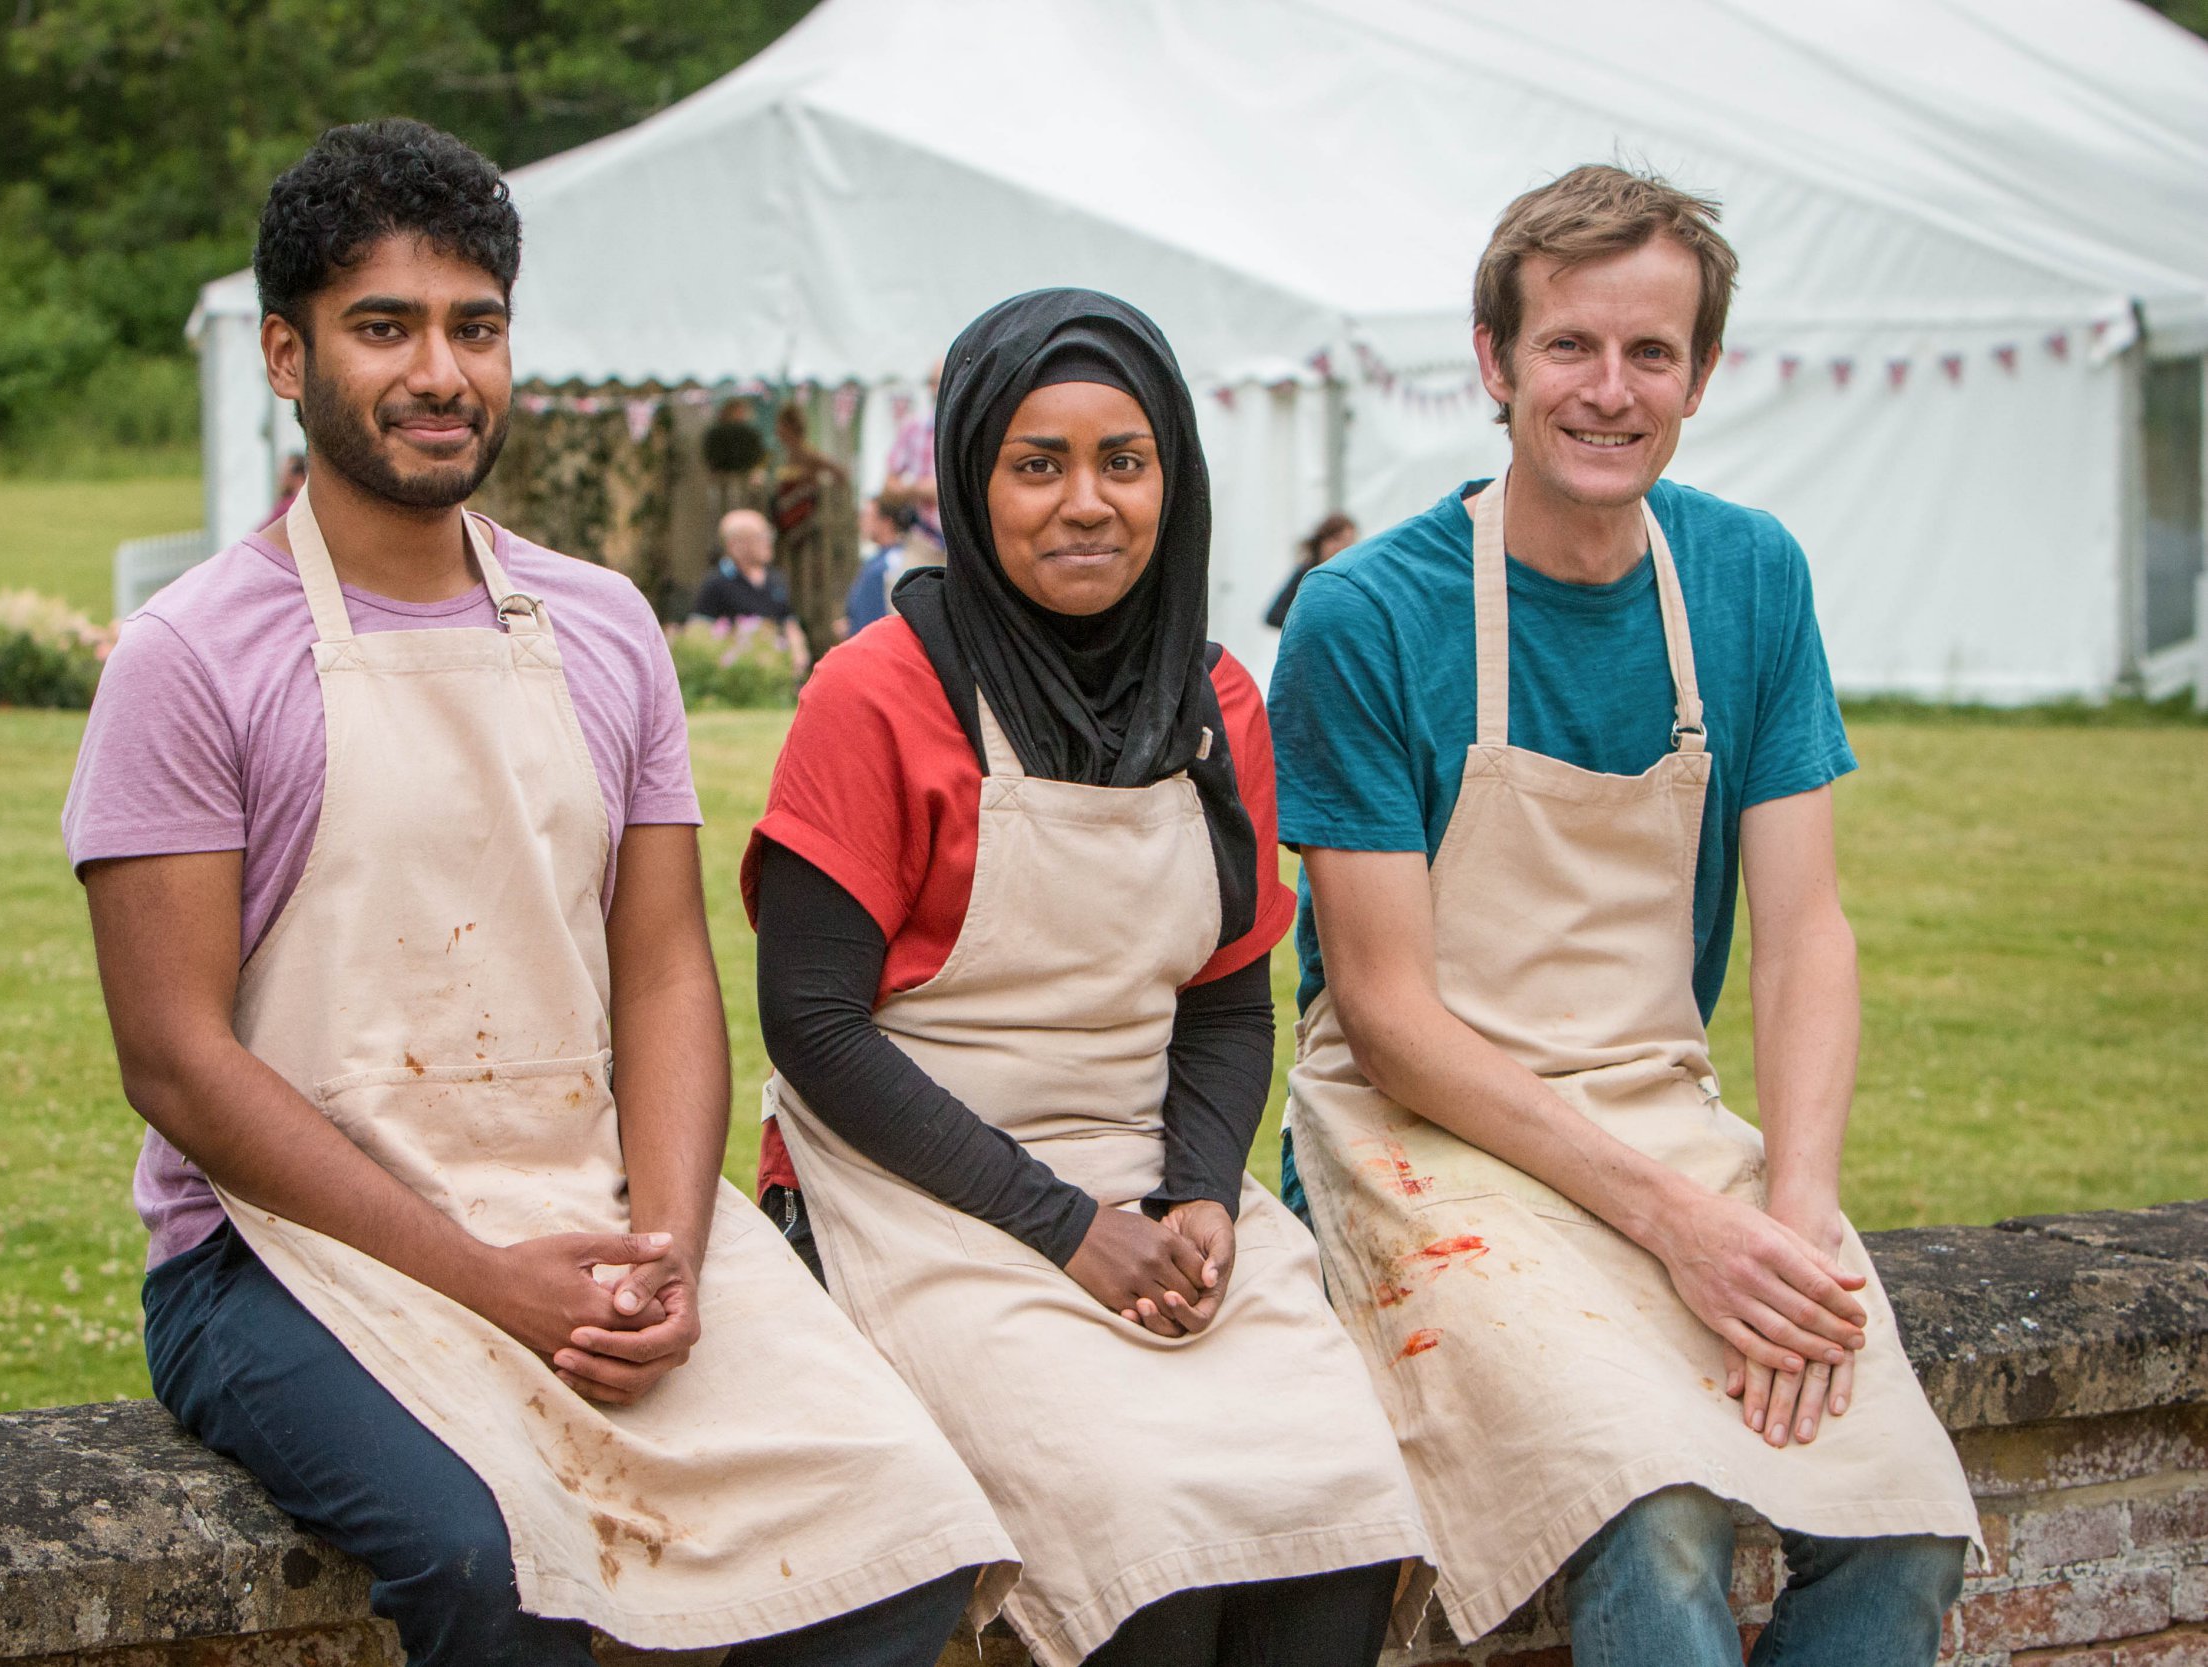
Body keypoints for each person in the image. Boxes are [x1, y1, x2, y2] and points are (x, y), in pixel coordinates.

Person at [63, 119, 1014, 1667]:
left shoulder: (605, 624)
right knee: (488, 1553)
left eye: (476, 326)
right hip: (277, 1255)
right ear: (288, 360)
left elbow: (663, 974)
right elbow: (175, 1058)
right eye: (385, 327)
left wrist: (671, 1248)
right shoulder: (192, 658)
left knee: (902, 1521)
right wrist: (489, 1280)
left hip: (576, 1199)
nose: (441, 371)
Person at [1270, 164, 1978, 1665]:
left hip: (1660, 1102)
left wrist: (1792, 1217)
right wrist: (1677, 1227)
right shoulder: (1366, 614)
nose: (1610, 389)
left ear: (1703, 374)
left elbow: (1805, 937)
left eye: (1651, 352)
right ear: (1493, 362)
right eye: (1569, 347)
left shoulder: (1749, 578)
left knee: (1905, 1518)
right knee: (1657, 1506)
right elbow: (1389, 1014)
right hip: (1426, 1140)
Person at [746, 288, 1430, 1667]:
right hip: (918, 1191)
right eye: (1037, 463)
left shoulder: (1217, 700)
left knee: (1340, 1509)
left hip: (1147, 1171)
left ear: (1173, 480)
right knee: (1145, 1546)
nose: (1086, 502)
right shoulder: (873, 695)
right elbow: (812, 1025)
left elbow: (1233, 996)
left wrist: (1195, 1191)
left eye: (1124, 460)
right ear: (970, 479)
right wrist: (1068, 1226)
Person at [691, 508, 811, 671]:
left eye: (770, 535)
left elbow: (788, 621)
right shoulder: (716, 583)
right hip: (739, 675)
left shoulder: (775, 578)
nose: (769, 542)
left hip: (777, 671)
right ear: (735, 545)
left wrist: (799, 654)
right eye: (761, 536)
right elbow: (698, 631)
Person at [880, 356, 944, 548]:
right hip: (925, 538)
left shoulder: (972, 427)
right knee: (901, 577)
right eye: (935, 382)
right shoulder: (913, 427)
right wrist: (918, 489)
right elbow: (889, 486)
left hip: (965, 545)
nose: (939, 388)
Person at [1264, 512, 1356, 630]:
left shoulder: (1352, 578)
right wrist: (1315, 620)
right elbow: (1274, 615)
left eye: (1349, 542)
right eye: (1337, 539)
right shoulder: (1306, 574)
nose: (1342, 547)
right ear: (1322, 541)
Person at [837, 495, 912, 639]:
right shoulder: (875, 560)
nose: (861, 522)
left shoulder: (894, 563)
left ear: (886, 522)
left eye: (866, 516)